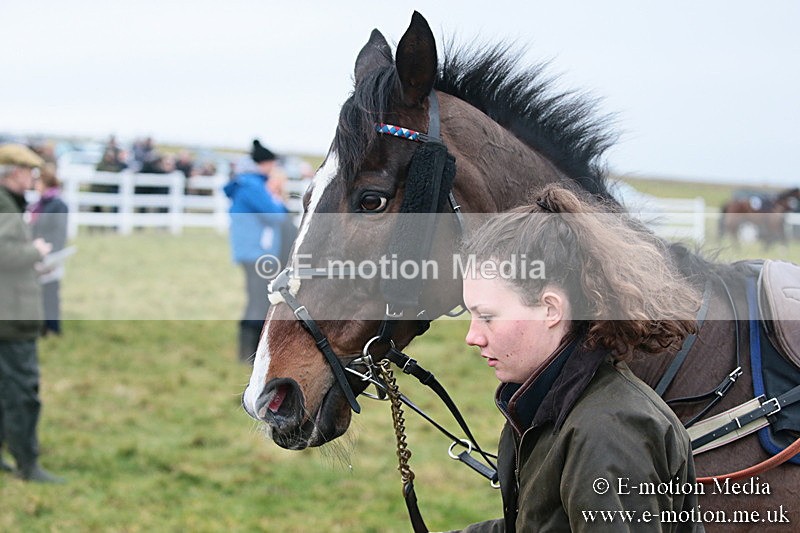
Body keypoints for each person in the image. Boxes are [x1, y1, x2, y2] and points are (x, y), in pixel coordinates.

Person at [454, 184, 702, 532]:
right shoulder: (542, 405)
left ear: (550, 309)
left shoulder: (607, 433)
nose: (472, 337)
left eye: (487, 317)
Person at [0, 143, 64, 483]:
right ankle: (27, 463)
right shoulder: (4, 205)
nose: (33, 178)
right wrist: (34, 252)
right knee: (23, 391)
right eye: (29, 171)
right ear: (13, 172)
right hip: (12, 315)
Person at [223, 140, 288, 364]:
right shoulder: (253, 186)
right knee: (259, 300)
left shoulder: (246, 184)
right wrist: (278, 199)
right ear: (265, 163)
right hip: (258, 252)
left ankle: (247, 352)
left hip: (251, 251)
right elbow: (276, 215)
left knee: (256, 298)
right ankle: (251, 353)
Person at [29, 163, 69, 335]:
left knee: (51, 290)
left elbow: (59, 233)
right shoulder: (38, 205)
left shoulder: (58, 205)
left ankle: (52, 327)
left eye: (37, 181)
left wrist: (50, 254)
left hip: (50, 254)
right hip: (37, 253)